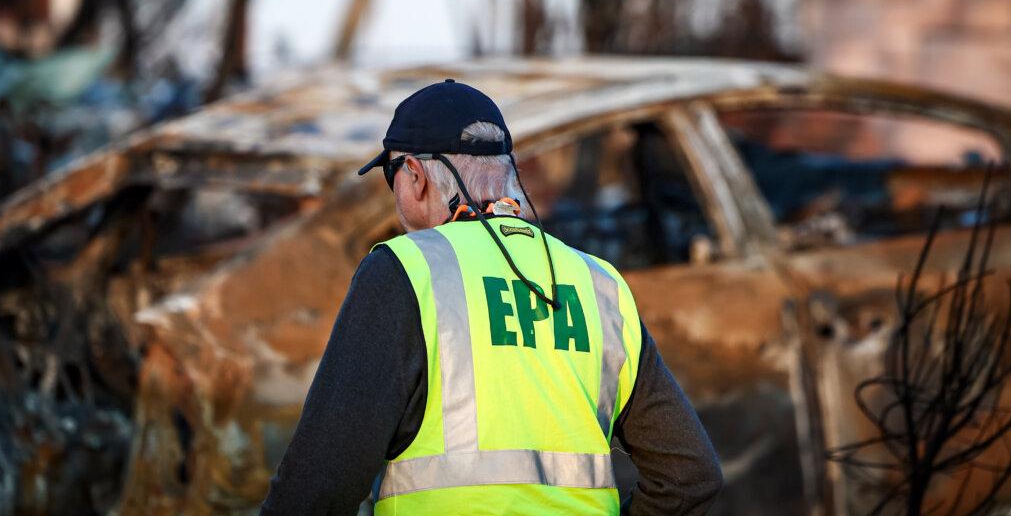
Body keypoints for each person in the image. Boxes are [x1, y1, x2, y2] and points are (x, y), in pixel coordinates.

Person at [260, 80, 722, 515]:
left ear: (416, 177)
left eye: (391, 176)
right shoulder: (600, 284)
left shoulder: (404, 272)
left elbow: (317, 491)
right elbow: (689, 474)